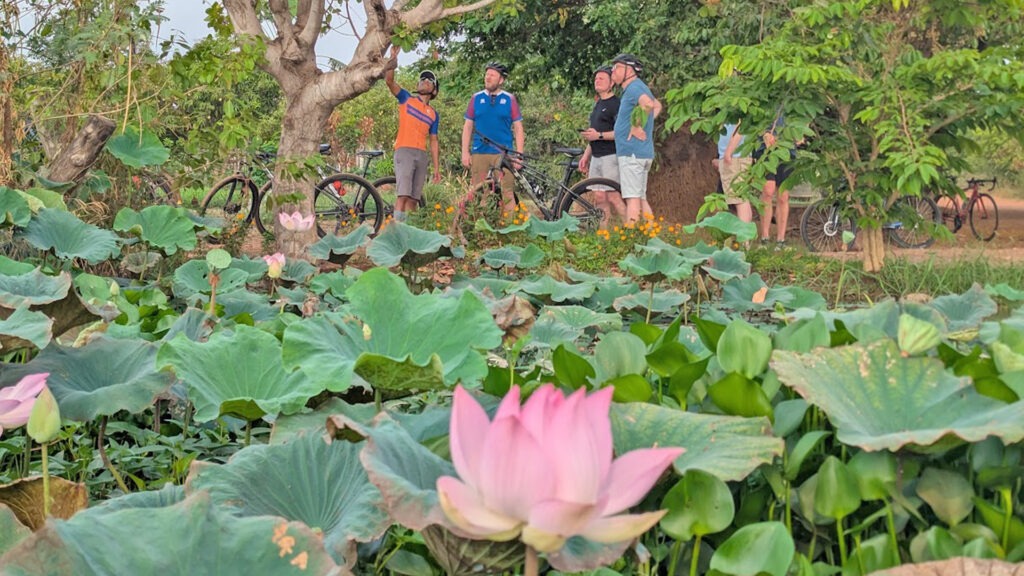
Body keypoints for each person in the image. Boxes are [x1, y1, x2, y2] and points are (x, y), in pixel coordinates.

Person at [384, 46, 441, 222]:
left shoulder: (433, 114)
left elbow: (433, 141)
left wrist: (437, 168)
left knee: (414, 199)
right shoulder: (406, 99)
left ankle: (409, 233)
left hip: (421, 155)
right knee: (403, 195)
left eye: (429, 80)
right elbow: (390, 82)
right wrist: (392, 60)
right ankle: (396, 232)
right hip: (405, 150)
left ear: (434, 90)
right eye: (422, 79)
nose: (424, 81)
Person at [461, 62, 525, 214]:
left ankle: (511, 231)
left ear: (501, 80)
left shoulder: (510, 99)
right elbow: (468, 126)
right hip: (480, 152)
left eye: (492, 75)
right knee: (480, 193)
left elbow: (518, 128)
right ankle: (482, 230)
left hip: (504, 154)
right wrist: (465, 152)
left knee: (507, 193)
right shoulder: (476, 98)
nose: (488, 78)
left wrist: (519, 155)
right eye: (486, 74)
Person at [610, 53, 661, 224]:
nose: (613, 71)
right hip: (640, 152)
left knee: (632, 198)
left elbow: (649, 105)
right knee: (640, 198)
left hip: (632, 153)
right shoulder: (638, 87)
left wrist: (636, 125)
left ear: (629, 70)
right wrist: (645, 122)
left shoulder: (634, 87)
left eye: (617, 67)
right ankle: (651, 236)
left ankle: (631, 241)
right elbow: (657, 105)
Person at [579, 65, 627, 230]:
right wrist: (586, 156)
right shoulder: (598, 103)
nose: (597, 81)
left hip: (610, 156)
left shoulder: (616, 105)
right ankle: (603, 234)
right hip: (596, 156)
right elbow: (593, 134)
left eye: (601, 79)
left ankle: (632, 231)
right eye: (596, 79)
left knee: (613, 196)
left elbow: (621, 133)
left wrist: (599, 135)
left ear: (611, 82)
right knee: (599, 197)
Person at [755, 115, 795, 247]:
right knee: (768, 190)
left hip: (786, 151)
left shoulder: (793, 100)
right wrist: (765, 133)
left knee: (783, 196)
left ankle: (781, 240)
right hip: (765, 150)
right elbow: (756, 120)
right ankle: (765, 238)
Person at [717, 121, 753, 222]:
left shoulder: (738, 108)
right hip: (733, 158)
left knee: (739, 200)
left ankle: (743, 236)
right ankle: (745, 235)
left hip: (735, 158)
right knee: (741, 199)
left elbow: (742, 127)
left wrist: (728, 153)